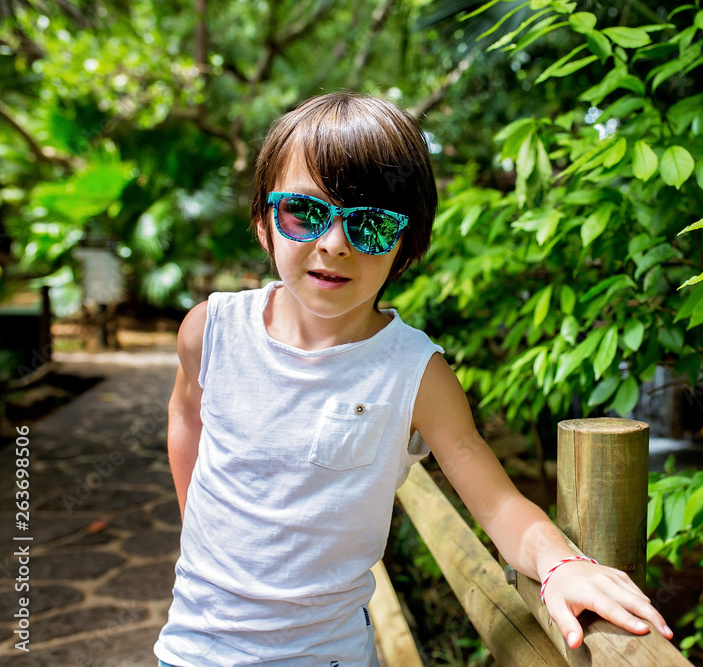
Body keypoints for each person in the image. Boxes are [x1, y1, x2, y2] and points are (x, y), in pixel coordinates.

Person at [154, 91, 672, 666]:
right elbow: (186, 418)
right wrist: (196, 535)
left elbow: (498, 504)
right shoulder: (211, 331)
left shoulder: (414, 373)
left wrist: (562, 564)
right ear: (263, 222)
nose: (334, 243)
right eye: (304, 212)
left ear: (405, 245)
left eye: (370, 224)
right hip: (196, 646)